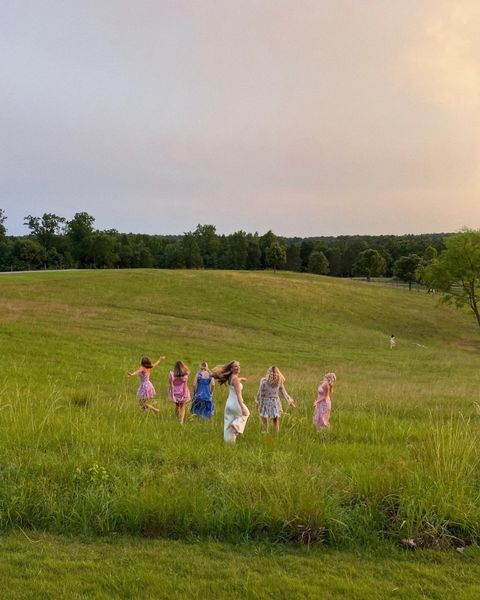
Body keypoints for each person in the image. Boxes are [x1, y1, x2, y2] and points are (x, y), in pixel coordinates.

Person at [212, 361, 249, 443]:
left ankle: (229, 443)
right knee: (246, 413)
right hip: (236, 403)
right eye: (235, 366)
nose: (238, 367)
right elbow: (238, 394)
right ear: (231, 369)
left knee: (228, 423)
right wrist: (242, 407)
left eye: (239, 365)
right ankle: (236, 424)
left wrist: (241, 378)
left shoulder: (230, 377)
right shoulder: (235, 379)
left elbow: (236, 381)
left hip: (229, 404)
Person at [256, 366, 295, 433]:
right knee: (275, 419)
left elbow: (260, 392)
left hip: (265, 400)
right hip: (275, 401)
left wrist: (258, 400)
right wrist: (289, 400)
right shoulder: (279, 381)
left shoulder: (264, 381)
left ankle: (266, 430)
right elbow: (284, 392)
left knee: (264, 416)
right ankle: (276, 432)